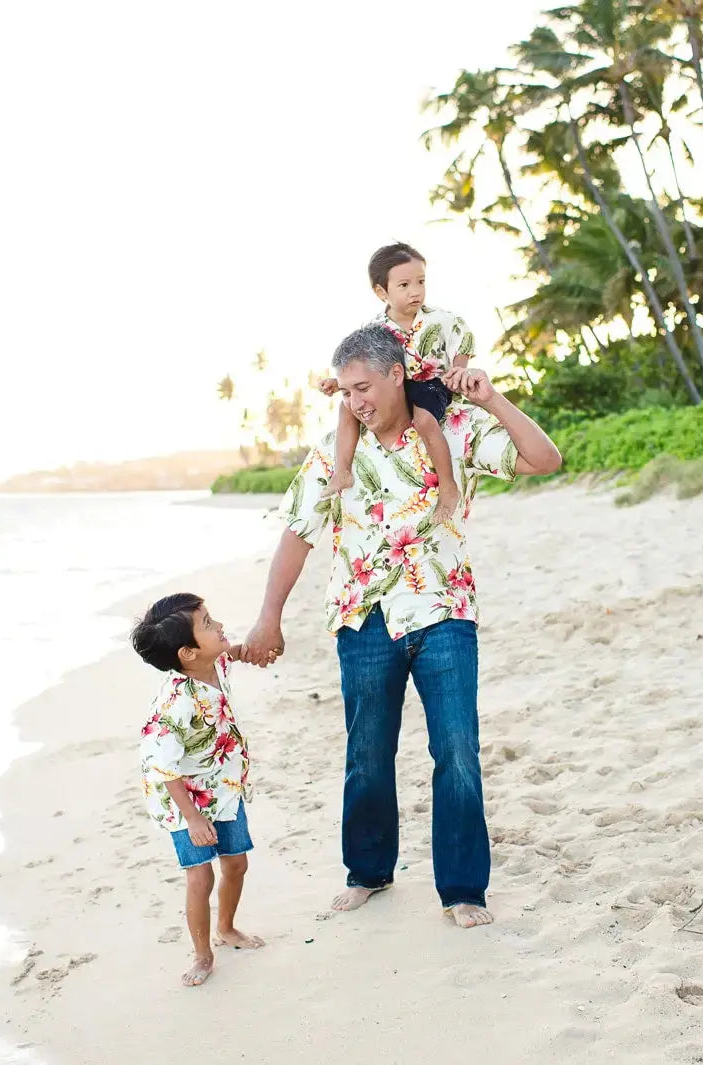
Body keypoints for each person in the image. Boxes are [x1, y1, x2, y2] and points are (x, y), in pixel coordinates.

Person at [243, 325, 561, 929]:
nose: (356, 400)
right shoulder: (332, 456)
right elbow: (297, 533)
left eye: (364, 386)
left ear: (396, 374)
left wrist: (492, 399)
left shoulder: (451, 429)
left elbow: (544, 460)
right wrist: (268, 616)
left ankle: (464, 889)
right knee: (366, 753)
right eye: (345, 391)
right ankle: (368, 872)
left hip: (443, 610)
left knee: (458, 751)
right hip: (362, 619)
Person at [132, 593, 269, 986]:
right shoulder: (176, 703)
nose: (219, 625)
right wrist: (192, 818)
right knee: (200, 877)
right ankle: (202, 954)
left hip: (222, 788)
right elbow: (162, 766)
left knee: (237, 863)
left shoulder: (211, 663)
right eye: (208, 624)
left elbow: (232, 653)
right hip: (182, 801)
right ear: (188, 653)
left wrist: (250, 649)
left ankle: (227, 928)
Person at [318, 242, 475, 526]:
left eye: (420, 282)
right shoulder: (376, 328)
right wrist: (336, 382)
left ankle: (448, 488)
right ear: (382, 292)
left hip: (432, 385)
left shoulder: (442, 320)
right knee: (346, 408)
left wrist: (458, 372)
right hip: (396, 389)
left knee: (425, 421)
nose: (415, 291)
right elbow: (361, 364)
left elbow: (462, 341)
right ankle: (342, 470)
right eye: (404, 285)